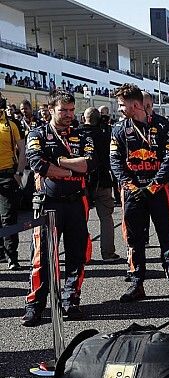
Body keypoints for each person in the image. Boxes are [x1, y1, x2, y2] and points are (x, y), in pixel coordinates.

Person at [22, 90, 94, 326]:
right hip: (48, 204)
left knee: (77, 254)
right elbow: (38, 164)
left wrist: (59, 162)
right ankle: (35, 305)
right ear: (51, 109)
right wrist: (72, 168)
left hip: (76, 203)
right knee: (43, 257)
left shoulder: (82, 135)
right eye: (63, 110)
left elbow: (89, 164)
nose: (68, 115)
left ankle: (70, 300)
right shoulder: (38, 134)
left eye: (72, 110)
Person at [109, 83, 169, 303]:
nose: (120, 109)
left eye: (122, 105)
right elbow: (115, 162)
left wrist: (152, 187)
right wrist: (133, 188)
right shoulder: (119, 129)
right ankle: (136, 283)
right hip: (133, 194)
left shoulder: (164, 126)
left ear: (135, 104)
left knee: (168, 237)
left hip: (158, 192)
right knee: (134, 239)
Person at [81, 107, 118, 262]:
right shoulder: (106, 134)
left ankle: (82, 255)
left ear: (83, 119)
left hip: (83, 181)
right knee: (106, 218)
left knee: (80, 219)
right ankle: (108, 253)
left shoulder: (78, 134)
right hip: (103, 179)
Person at [0, 91, 26, 271]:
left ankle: (12, 257)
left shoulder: (11, 124)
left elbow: (22, 150)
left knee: (8, 218)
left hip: (7, 175)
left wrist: (19, 172)